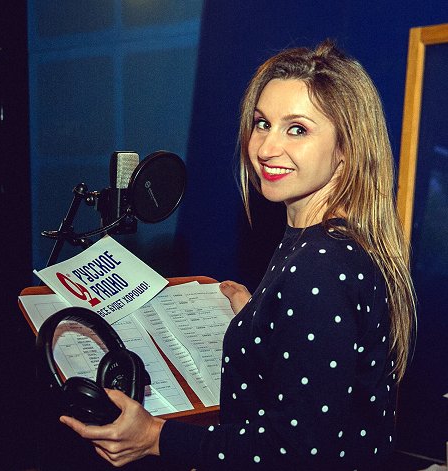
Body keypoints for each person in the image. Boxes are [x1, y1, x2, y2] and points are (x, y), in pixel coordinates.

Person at [60, 39, 416, 470]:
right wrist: (258, 316)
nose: (266, 148)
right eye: (262, 123)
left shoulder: (319, 266)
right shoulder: (327, 243)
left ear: (347, 148)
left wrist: (156, 437)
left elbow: (298, 452)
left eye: (297, 129)